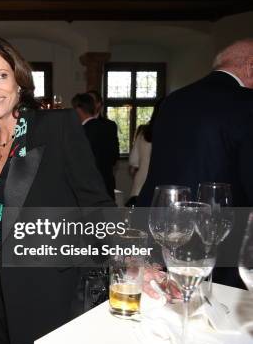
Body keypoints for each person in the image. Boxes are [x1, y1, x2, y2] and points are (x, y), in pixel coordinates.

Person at [0, 36, 115, 344]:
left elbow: (96, 201)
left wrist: (133, 260)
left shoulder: (57, 127)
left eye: (1, 75)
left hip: (49, 285)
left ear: (19, 78)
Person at [137, 39, 253, 288]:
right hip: (224, 236)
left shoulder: (174, 100)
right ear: (250, 67)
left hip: (166, 225)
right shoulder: (246, 103)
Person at [71, 92, 120, 200]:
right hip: (106, 186)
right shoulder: (107, 128)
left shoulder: (79, 133)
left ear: (78, 110)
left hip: (88, 191)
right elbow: (114, 157)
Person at [126, 100, 162, 207]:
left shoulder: (144, 133)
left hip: (141, 185)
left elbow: (133, 162)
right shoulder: (173, 132)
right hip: (163, 186)